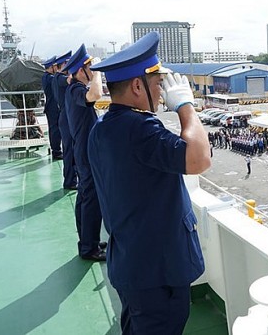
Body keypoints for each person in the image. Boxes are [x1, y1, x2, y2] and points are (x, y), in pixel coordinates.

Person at [89, 32, 211, 334]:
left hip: (133, 264)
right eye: (158, 85)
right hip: (158, 273)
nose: (161, 93)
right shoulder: (139, 128)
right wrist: (185, 107)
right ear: (136, 85)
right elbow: (199, 159)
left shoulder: (102, 128)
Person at [63, 44, 106, 262]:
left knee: (85, 197)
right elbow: (96, 93)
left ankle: (88, 241)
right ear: (82, 70)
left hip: (84, 148)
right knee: (92, 199)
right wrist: (97, 71)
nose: (93, 72)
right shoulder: (77, 89)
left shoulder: (73, 88)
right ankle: (89, 248)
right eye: (89, 68)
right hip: (86, 151)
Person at [52, 51, 77, 189]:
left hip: (66, 115)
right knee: (69, 150)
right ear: (64, 64)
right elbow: (69, 80)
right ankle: (70, 181)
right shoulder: (60, 77)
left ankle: (71, 178)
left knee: (71, 149)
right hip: (66, 117)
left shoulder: (57, 77)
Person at [41, 55, 62, 160]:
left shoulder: (45, 77)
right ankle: (56, 151)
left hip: (51, 106)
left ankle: (56, 149)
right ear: (51, 67)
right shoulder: (50, 78)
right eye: (55, 66)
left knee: (54, 129)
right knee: (55, 130)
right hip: (53, 107)